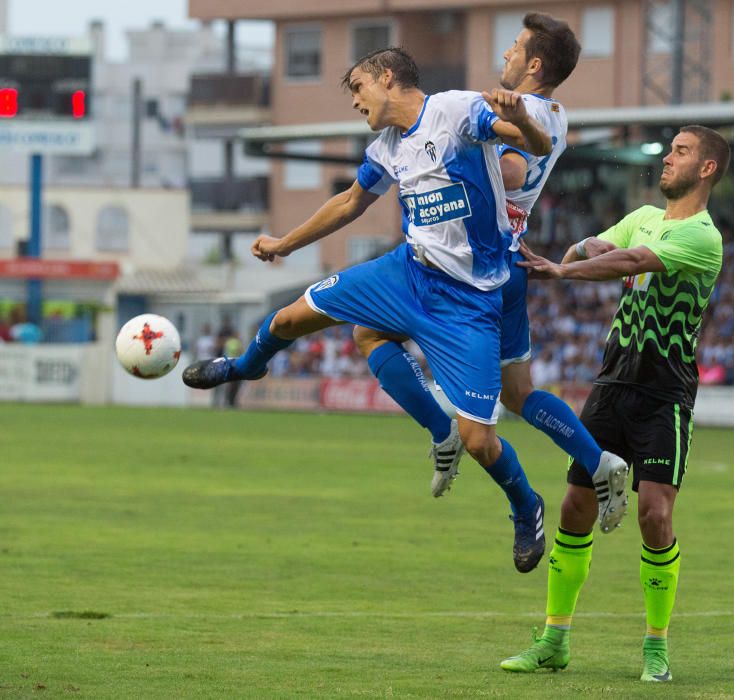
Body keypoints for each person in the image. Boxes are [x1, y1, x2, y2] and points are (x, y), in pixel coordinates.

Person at [182, 48, 553, 573]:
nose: (355, 100)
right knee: (293, 319)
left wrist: (519, 121)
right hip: (407, 272)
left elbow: (533, 145)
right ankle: (245, 368)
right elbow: (350, 202)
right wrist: (286, 242)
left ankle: (526, 505)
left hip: (468, 300)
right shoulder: (387, 146)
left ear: (385, 77)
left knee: (480, 441)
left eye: (357, 87)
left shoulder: (455, 111)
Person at [351, 13, 629, 537]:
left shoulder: (521, 113)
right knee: (520, 393)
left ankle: (443, 431)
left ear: (535, 63)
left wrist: (439, 157)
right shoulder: (556, 112)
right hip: (509, 263)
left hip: (475, 266)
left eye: (516, 48)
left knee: (369, 331)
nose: (507, 55)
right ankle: (599, 464)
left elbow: (514, 168)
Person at [500, 125, 730, 682]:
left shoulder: (703, 236)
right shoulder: (645, 215)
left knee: (654, 513)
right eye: (668, 150)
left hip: (664, 395)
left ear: (706, 170)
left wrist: (566, 267)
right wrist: (581, 249)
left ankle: (656, 647)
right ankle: (554, 641)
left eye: (679, 152)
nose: (667, 160)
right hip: (611, 386)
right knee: (574, 507)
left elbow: (628, 264)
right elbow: (599, 247)